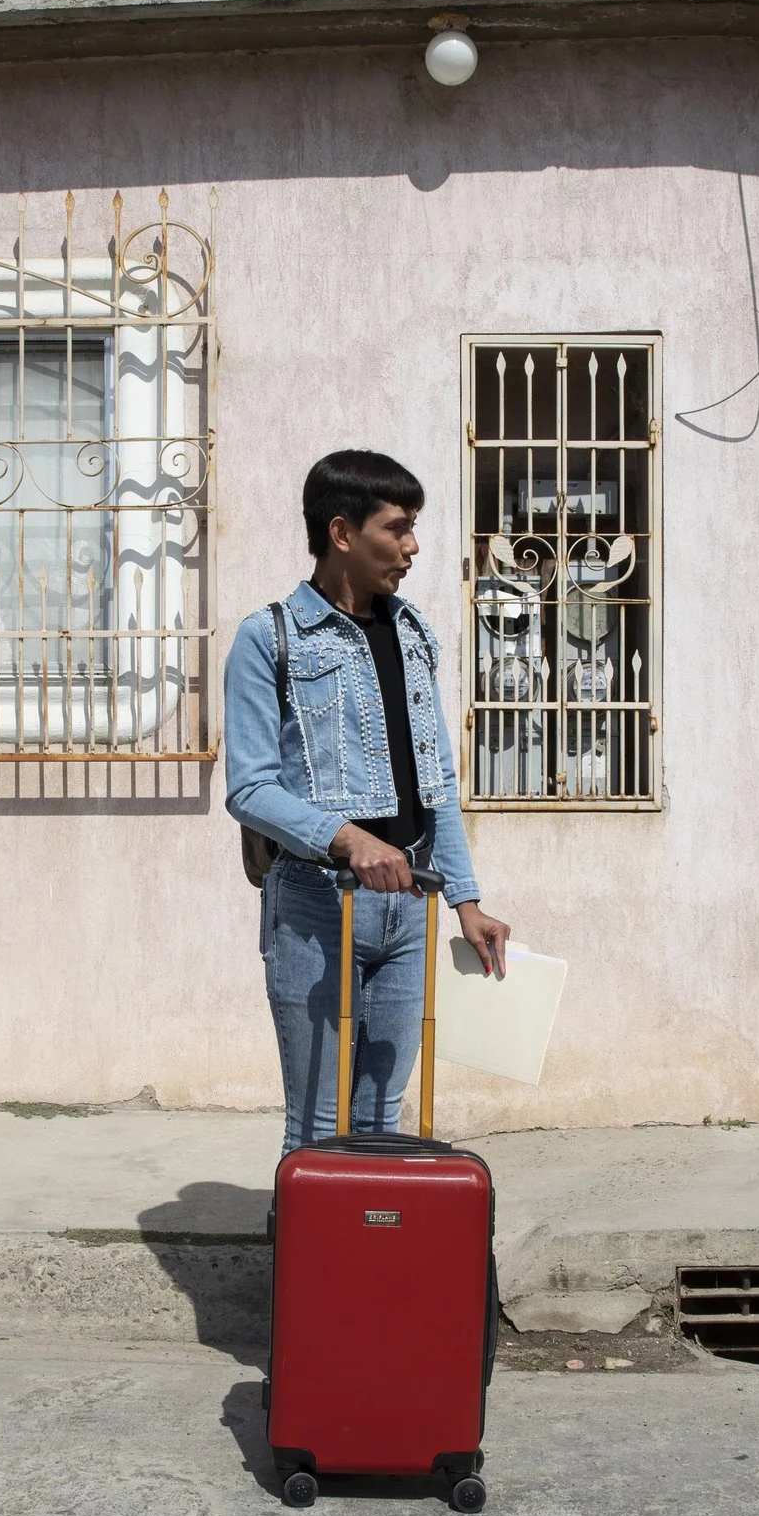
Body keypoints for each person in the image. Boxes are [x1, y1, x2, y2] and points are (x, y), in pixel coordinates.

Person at [225, 449, 513, 1153]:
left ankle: (369, 1235)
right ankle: (304, 1233)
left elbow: (436, 780)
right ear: (342, 533)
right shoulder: (269, 638)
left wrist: (467, 901)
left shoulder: (412, 634)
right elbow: (250, 787)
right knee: (320, 1129)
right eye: (398, 528)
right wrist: (348, 837)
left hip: (412, 907)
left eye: (414, 528)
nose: (413, 547)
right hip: (317, 906)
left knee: (382, 1126)